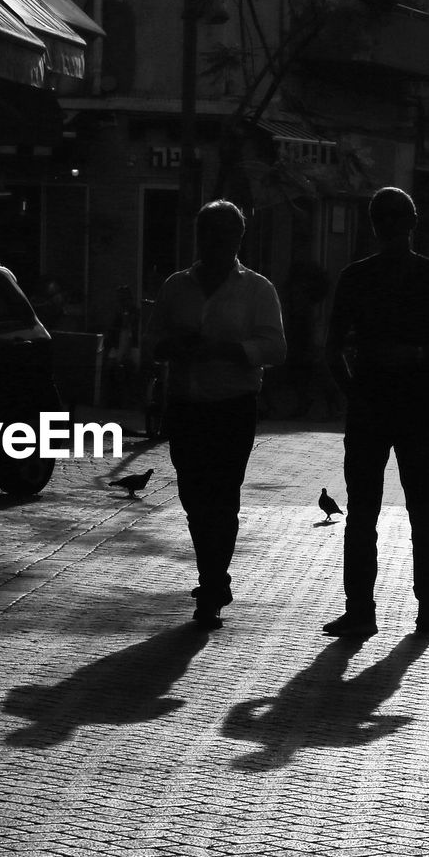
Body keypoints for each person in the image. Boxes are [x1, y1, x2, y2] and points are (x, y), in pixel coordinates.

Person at [322, 186, 429, 639]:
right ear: (414, 222)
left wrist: (355, 392)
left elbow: (331, 350)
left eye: (392, 219)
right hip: (416, 405)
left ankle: (364, 610)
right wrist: (423, 357)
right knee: (420, 509)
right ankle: (427, 609)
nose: (390, 227)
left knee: (367, 512)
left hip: (380, 407)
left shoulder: (357, 277)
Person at [145, 200, 287, 629]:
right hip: (186, 405)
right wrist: (175, 346)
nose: (215, 243)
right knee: (193, 498)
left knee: (222, 499)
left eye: (225, 234)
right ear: (199, 237)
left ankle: (211, 582)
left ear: (238, 238)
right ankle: (213, 575)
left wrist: (228, 350)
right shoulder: (176, 287)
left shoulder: (257, 289)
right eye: (208, 233)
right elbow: (152, 340)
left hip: (232, 407)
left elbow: (276, 348)